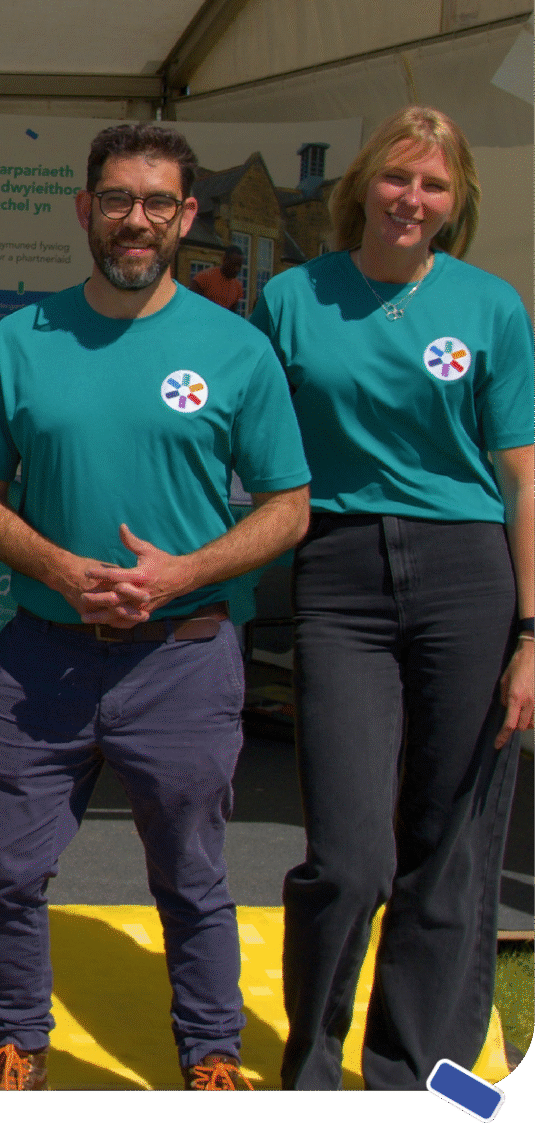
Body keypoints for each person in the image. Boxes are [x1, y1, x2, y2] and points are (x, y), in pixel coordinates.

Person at [0, 123, 311, 1091]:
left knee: (193, 880)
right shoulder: (23, 341)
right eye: (117, 199)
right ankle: (17, 1044)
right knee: (7, 872)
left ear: (187, 216)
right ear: (85, 209)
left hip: (184, 656)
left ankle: (210, 1056)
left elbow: (289, 505)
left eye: (158, 202)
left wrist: (187, 573)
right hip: (45, 653)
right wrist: (59, 567)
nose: (136, 220)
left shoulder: (236, 349)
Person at [250, 106, 533, 1090]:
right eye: (398, 178)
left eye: (435, 185)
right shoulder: (291, 297)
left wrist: (534, 631)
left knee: (447, 847)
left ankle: (415, 1077)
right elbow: (251, 449)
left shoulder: (492, 307)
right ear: (362, 185)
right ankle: (315, 1072)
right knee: (351, 856)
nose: (413, 199)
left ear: (457, 205)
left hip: (469, 573)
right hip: (338, 573)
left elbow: (523, 476)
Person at [189, 245, 246, 313]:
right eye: (234, 264)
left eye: (239, 266)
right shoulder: (203, 278)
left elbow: (232, 315)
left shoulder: (237, 287)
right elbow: (190, 304)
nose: (237, 269)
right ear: (224, 260)